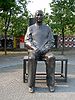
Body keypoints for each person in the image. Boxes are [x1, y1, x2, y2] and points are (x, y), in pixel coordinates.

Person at [24, 10, 55, 93]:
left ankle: (51, 84)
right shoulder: (30, 28)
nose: (39, 17)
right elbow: (27, 41)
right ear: (35, 17)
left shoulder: (47, 28)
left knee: (51, 57)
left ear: (43, 17)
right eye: (37, 15)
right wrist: (34, 48)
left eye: (41, 15)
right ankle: (31, 85)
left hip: (45, 50)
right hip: (34, 50)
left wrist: (45, 48)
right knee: (31, 58)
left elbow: (51, 41)